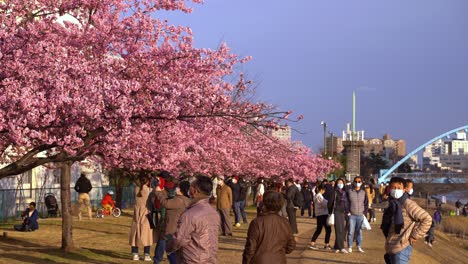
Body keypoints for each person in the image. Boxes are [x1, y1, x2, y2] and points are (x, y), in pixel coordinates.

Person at [167, 175, 220, 264]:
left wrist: (168, 246)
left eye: (190, 187)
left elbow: (179, 239)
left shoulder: (190, 214)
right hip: (210, 258)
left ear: (194, 191)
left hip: (193, 259)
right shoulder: (214, 213)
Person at [381, 176, 432, 264]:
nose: (396, 190)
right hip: (391, 246)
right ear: (389, 188)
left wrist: (415, 235)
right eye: (393, 187)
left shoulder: (408, 204)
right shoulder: (392, 204)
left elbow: (427, 218)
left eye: (399, 188)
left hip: (402, 247)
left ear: (404, 189)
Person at [242, 191, 296, 264]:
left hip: (260, 260)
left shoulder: (257, 222)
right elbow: (291, 245)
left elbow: (250, 248)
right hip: (279, 260)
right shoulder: (285, 222)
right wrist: (279, 251)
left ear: (264, 203)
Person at [153, 180, 191, 264]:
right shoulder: (185, 200)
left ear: (181, 190)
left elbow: (165, 203)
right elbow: (168, 200)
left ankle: (157, 261)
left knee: (170, 252)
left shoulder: (179, 201)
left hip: (171, 229)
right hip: (175, 229)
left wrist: (157, 192)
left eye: (178, 187)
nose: (176, 189)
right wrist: (161, 190)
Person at [129, 175, 153, 261]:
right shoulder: (149, 190)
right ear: (147, 181)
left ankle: (135, 254)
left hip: (137, 214)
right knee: (148, 235)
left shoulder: (136, 189)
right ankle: (146, 254)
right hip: (147, 213)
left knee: (135, 233)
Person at [346, 176, 368, 253]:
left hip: (360, 215)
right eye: (356, 181)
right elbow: (346, 202)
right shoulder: (349, 191)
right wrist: (348, 211)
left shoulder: (364, 192)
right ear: (353, 182)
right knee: (350, 231)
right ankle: (350, 246)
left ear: (361, 183)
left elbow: (366, 203)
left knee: (359, 231)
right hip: (352, 215)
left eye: (359, 181)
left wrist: (365, 213)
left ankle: (359, 246)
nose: (357, 183)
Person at [309, 184, 332, 250]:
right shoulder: (319, 196)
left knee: (319, 229)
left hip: (319, 214)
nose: (324, 191)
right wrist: (329, 202)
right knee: (328, 230)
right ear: (322, 190)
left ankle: (313, 242)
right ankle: (326, 244)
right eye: (324, 190)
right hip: (323, 214)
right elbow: (324, 204)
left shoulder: (316, 195)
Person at [330, 178, 350, 253]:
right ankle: (341, 247)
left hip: (344, 212)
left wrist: (348, 211)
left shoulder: (345, 192)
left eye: (341, 182)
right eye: (339, 182)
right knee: (339, 230)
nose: (340, 184)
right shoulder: (335, 192)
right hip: (337, 212)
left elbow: (347, 203)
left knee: (342, 229)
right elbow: (331, 202)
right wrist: (330, 212)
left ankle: (336, 247)